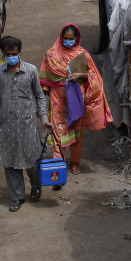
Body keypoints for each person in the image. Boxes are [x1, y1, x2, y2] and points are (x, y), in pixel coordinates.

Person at [39, 24, 113, 175]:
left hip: (76, 100)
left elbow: (94, 77)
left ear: (77, 39)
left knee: (76, 133)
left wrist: (81, 76)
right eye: (65, 39)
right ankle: (57, 167)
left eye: (71, 39)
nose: (68, 41)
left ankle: (74, 163)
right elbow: (45, 78)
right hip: (57, 100)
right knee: (58, 132)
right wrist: (45, 89)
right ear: (61, 38)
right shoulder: (51, 54)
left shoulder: (83, 55)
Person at [0, 35, 51, 212]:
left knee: (31, 160)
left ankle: (36, 185)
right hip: (6, 127)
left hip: (28, 126)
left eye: (14, 53)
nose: (11, 57)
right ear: (3, 54)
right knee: (9, 163)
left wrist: (44, 119)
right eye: (8, 54)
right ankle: (16, 197)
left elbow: (39, 96)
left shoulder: (30, 71)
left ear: (20, 52)